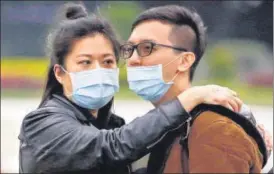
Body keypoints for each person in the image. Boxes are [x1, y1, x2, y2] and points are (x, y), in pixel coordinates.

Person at [17, 3, 265, 174]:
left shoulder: (210, 128)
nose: (134, 60)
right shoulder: (43, 124)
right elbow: (111, 147)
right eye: (84, 62)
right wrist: (188, 98)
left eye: (108, 61)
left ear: (185, 60)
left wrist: (255, 144)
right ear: (60, 73)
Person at [121, 4, 272, 173]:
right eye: (129, 49)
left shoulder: (214, 128)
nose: (133, 59)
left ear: (184, 61)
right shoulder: (160, 128)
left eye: (147, 48)